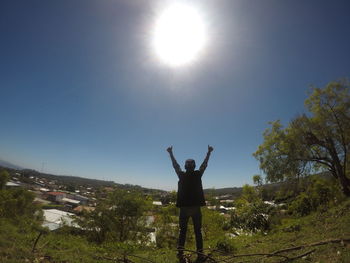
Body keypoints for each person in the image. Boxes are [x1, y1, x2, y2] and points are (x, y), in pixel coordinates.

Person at [167, 145, 214, 263]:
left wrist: (171, 153)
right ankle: (200, 254)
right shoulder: (198, 174)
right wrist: (208, 152)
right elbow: (204, 164)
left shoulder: (181, 175)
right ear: (194, 166)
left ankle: (180, 254)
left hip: (184, 209)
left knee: (182, 231)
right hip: (196, 209)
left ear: (185, 166)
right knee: (198, 231)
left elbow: (175, 165)